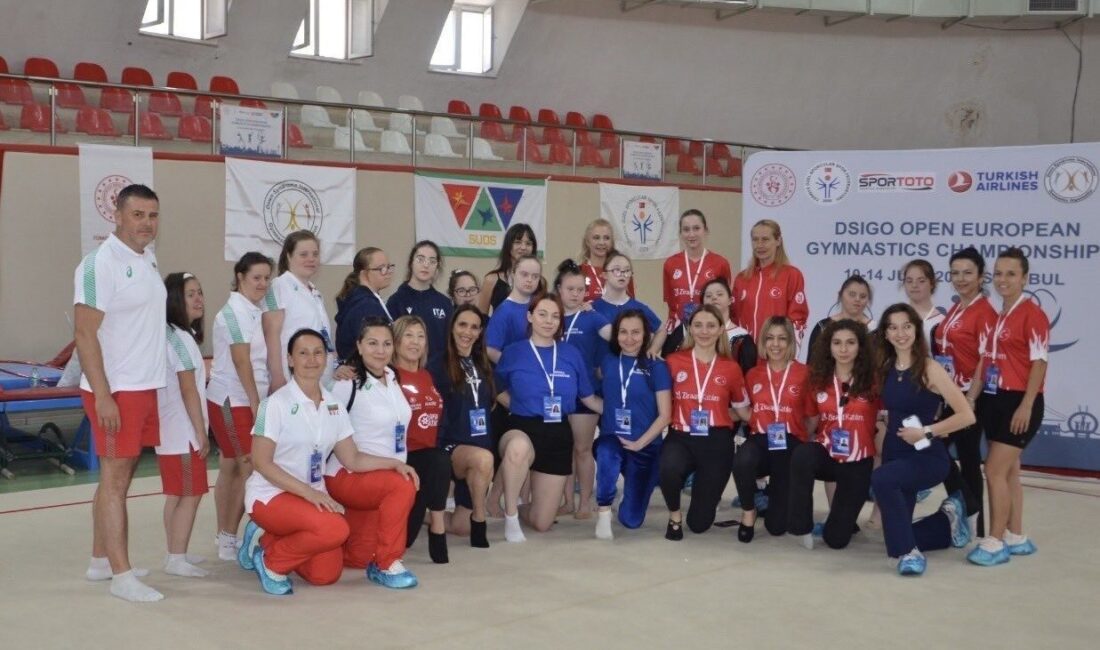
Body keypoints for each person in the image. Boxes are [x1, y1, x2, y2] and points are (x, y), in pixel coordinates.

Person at [238, 329, 419, 595]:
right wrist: (309, 493)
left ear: (326, 358)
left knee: (325, 575)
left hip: (311, 496)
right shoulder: (274, 404)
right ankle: (271, 562)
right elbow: (261, 463)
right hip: (272, 494)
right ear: (290, 359)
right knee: (335, 529)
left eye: (318, 353)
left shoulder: (333, 405)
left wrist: (393, 464)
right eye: (303, 353)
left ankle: (268, 541)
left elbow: (352, 459)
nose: (311, 360)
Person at [74, 183, 168, 602]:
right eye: (138, 215)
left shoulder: (147, 258)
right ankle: (121, 575)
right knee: (114, 481)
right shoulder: (99, 265)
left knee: (120, 477)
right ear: (117, 215)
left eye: (153, 215)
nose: (147, 223)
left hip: (143, 386)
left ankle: (100, 561)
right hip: (116, 390)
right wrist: (103, 395)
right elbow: (84, 334)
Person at [871, 304, 977, 575]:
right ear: (885, 334)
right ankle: (946, 523)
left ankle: (911, 554)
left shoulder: (930, 368)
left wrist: (927, 431)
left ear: (916, 330)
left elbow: (966, 416)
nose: (900, 333)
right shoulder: (886, 367)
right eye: (893, 327)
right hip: (895, 453)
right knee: (893, 541)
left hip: (926, 456)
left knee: (881, 479)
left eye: (906, 326)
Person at [494, 294, 603, 542]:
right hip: (522, 427)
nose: (548, 321)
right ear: (530, 317)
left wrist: (622, 413)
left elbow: (588, 399)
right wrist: (519, 406)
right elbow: (496, 388)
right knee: (518, 449)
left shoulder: (571, 354)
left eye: (555, 316)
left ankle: (522, 508)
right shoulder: (513, 352)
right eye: (542, 314)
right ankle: (511, 516)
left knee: (542, 523)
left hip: (558, 433)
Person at [966, 248, 1049, 567]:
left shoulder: (1033, 315)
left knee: (994, 470)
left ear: (1025, 278)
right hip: (993, 398)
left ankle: (995, 541)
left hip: (1019, 402)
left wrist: (1026, 405)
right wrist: (971, 398)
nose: (1003, 279)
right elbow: (984, 361)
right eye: (999, 273)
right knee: (1010, 470)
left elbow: (1039, 363)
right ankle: (1016, 535)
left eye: (1011, 274)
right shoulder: (997, 316)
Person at [326, 318, 423, 587]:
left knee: (358, 557)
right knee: (403, 485)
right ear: (359, 345)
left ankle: (270, 540)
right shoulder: (347, 383)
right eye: (372, 343)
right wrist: (394, 464)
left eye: (386, 344)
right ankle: (387, 564)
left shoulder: (392, 377)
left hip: (379, 478)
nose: (380, 351)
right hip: (349, 473)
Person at [787, 319, 881, 551]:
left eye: (850, 342)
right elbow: (811, 422)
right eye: (837, 343)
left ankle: (836, 523)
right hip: (827, 453)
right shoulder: (818, 380)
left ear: (860, 346)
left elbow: (886, 417)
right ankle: (801, 525)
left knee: (836, 540)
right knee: (802, 455)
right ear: (829, 347)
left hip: (858, 461)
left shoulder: (874, 380)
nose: (843, 349)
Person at [659, 305, 751, 540]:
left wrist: (776, 423)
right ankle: (674, 516)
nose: (704, 331)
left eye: (711, 326)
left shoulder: (731, 368)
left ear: (721, 330)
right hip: (681, 437)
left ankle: (702, 503)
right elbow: (661, 403)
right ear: (690, 328)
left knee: (699, 524)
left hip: (717, 441)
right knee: (668, 467)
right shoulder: (673, 362)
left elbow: (742, 410)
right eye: (698, 325)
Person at [207, 252, 272, 561]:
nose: (262, 283)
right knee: (248, 467)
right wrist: (255, 402)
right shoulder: (233, 312)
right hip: (233, 399)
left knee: (232, 466)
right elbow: (241, 360)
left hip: (250, 397)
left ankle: (226, 533)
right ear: (240, 277)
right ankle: (230, 537)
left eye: (267, 278)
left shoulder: (256, 311)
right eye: (256, 277)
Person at [934, 246, 998, 536]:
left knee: (962, 455)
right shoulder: (958, 307)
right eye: (955, 273)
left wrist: (971, 397)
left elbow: (986, 358)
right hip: (952, 392)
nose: (960, 278)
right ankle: (970, 516)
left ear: (981, 276)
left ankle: (971, 516)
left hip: (970, 396)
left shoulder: (984, 312)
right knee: (956, 454)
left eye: (967, 273)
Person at [594, 309, 671, 540]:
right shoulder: (608, 361)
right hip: (613, 438)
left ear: (646, 334)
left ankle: (628, 497)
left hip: (645, 447)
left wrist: (639, 444)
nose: (629, 338)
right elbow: (601, 395)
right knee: (606, 451)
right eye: (623, 332)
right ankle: (603, 512)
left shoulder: (655, 366)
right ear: (616, 334)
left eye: (636, 332)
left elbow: (665, 416)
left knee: (631, 520)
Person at [732, 316, 809, 542]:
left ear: (791, 342)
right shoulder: (753, 374)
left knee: (776, 527)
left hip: (791, 443)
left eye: (782, 338)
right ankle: (749, 511)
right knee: (742, 461)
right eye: (770, 338)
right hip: (761, 439)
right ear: (763, 342)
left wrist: (802, 438)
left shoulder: (805, 373)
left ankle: (775, 498)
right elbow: (744, 409)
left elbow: (812, 417)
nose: (775, 344)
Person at [154, 272, 210, 578]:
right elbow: (188, 388)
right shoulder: (180, 339)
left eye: (199, 292)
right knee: (190, 493)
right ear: (175, 300)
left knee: (176, 494)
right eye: (190, 294)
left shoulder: (171, 334)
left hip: (172, 430)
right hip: (182, 431)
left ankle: (175, 551)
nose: (199, 299)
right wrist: (201, 432)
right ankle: (176, 557)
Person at [433, 304, 495, 548]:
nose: (467, 332)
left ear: (480, 333)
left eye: (474, 327)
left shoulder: (484, 365)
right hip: (450, 446)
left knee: (460, 527)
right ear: (452, 328)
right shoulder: (437, 365)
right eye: (462, 325)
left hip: (479, 446)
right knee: (483, 459)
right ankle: (480, 519)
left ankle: (420, 514)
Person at [391, 315, 451, 564]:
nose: (415, 342)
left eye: (420, 336)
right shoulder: (388, 376)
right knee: (404, 540)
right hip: (402, 459)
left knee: (439, 459)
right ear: (396, 341)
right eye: (408, 335)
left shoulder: (427, 375)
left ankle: (437, 522)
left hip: (427, 461)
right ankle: (436, 525)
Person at [555, 259, 612, 518]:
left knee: (582, 448)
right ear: (559, 289)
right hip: (556, 393)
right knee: (564, 449)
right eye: (570, 289)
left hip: (585, 393)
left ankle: (585, 501)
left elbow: (618, 337)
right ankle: (567, 501)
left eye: (580, 289)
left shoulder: (592, 317)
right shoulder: (551, 316)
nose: (576, 294)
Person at [262, 231, 335, 391]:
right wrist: (277, 377)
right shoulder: (278, 286)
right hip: (290, 380)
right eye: (303, 254)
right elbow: (271, 335)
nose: (311, 259)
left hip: (319, 379)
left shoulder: (314, 292)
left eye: (315, 254)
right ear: (289, 256)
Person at [733, 219, 809, 344]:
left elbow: (797, 318)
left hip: (775, 350)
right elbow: (733, 318)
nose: (759, 245)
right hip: (745, 351)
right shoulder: (742, 278)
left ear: (778, 241)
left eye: (765, 239)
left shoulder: (792, 275)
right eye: (755, 239)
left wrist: (787, 349)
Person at [663, 278, 757, 374]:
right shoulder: (685, 330)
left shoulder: (742, 337)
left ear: (730, 300)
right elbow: (667, 362)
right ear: (702, 303)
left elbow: (747, 374)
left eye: (719, 294)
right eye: (708, 296)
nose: (714, 298)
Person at [387, 241, 453, 377]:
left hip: (440, 376)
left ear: (437, 267)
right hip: (406, 375)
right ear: (411, 263)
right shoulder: (396, 301)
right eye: (420, 259)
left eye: (432, 261)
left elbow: (451, 343)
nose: (426, 265)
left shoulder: (444, 303)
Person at [662, 209, 732, 334]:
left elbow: (725, 302)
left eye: (696, 228)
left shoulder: (720, 264)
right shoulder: (670, 264)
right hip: (678, 330)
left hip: (709, 330)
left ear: (705, 230)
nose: (691, 234)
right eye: (686, 229)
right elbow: (671, 302)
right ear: (680, 233)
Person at [592, 250, 666, 357]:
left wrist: (652, 350)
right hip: (601, 366)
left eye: (627, 270)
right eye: (616, 270)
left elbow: (661, 330)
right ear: (604, 275)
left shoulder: (639, 308)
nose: (622, 274)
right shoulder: (593, 308)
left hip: (630, 365)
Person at [334, 246, 395, 362]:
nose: (387, 272)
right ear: (363, 274)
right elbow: (373, 350)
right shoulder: (366, 306)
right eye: (381, 268)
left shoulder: (362, 300)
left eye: (388, 267)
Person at [485, 255, 543, 362]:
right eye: (524, 274)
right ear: (513, 274)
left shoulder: (541, 305)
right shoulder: (504, 311)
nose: (529, 280)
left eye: (535, 276)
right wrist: (514, 366)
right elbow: (491, 350)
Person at [806, 275, 874, 360]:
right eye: (852, 294)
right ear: (840, 295)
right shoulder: (823, 327)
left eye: (863, 296)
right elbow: (811, 362)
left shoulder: (875, 329)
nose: (857, 299)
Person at [478, 223, 538, 315]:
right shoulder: (491, 280)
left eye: (528, 243)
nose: (523, 247)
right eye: (518, 242)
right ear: (508, 245)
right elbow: (481, 318)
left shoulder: (539, 281)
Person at [578, 218, 634, 301]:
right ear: (587, 241)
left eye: (606, 238)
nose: (601, 242)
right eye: (596, 238)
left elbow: (631, 305)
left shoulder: (622, 272)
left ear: (612, 242)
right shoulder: (578, 272)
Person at [902, 259, 945, 349]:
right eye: (909, 281)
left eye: (921, 281)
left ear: (932, 283)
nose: (914, 285)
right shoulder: (895, 318)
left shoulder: (942, 322)